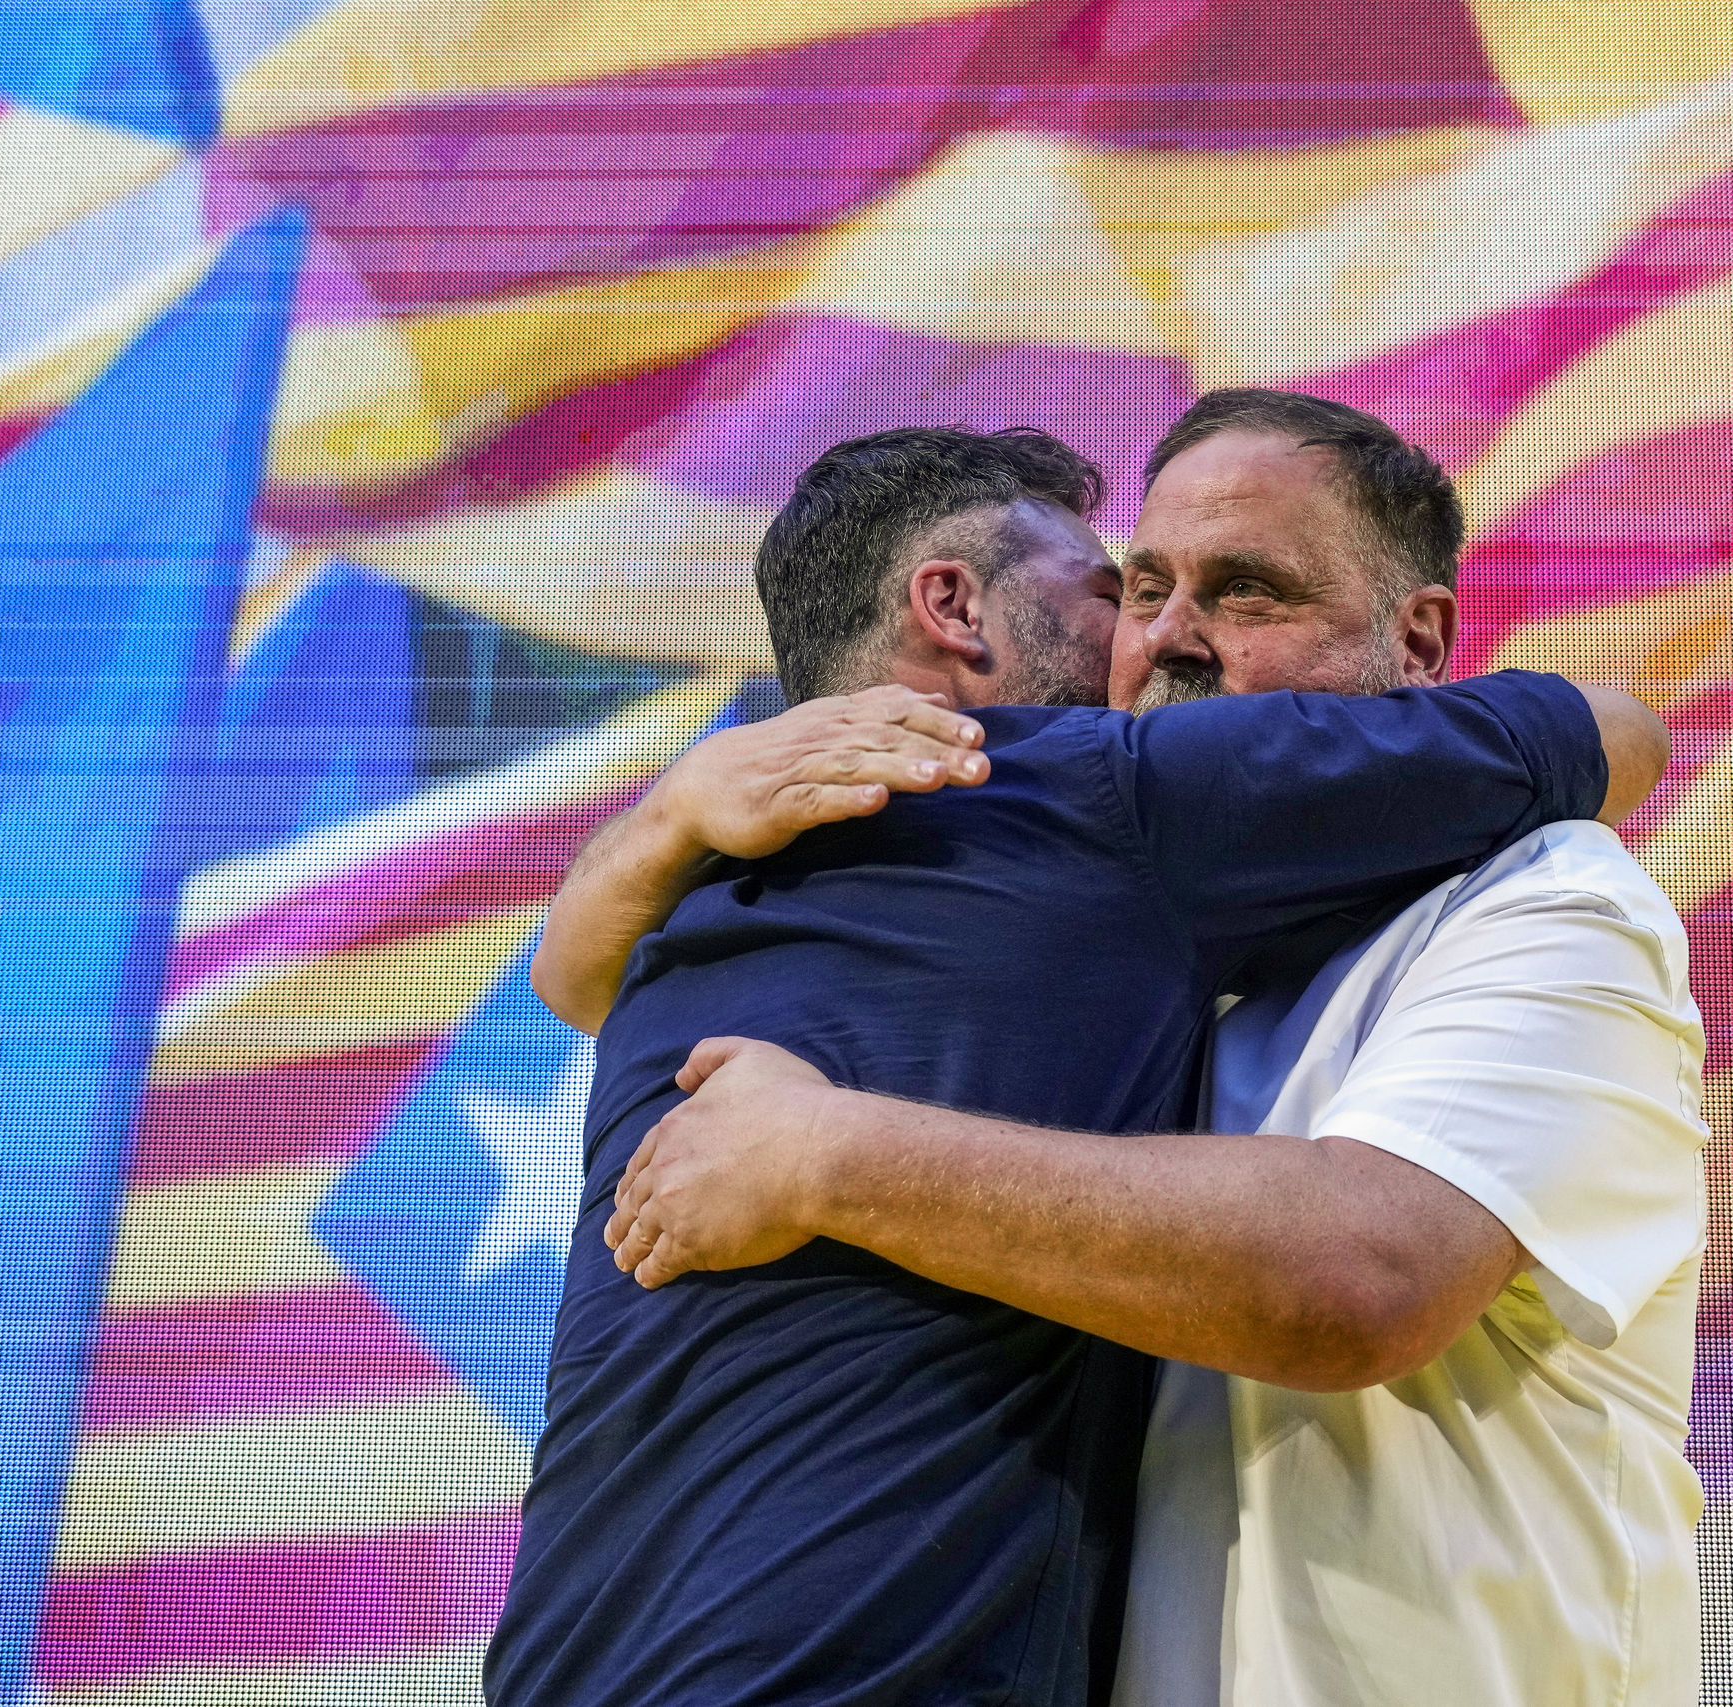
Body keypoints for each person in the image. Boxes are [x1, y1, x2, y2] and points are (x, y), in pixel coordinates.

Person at [485, 419, 1671, 1707]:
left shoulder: (682, 918)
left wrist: (820, 1133)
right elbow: (1610, 735)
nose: (1156, 640)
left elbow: (1364, 1277)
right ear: (952, 606)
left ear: (1421, 642)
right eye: (1131, 590)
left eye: (1248, 592)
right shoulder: (1095, 810)